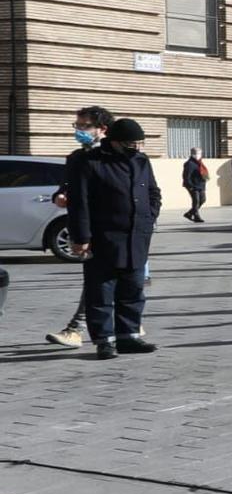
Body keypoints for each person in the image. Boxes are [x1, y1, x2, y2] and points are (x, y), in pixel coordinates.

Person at [68, 117, 162, 360]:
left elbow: (153, 192)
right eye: (132, 143)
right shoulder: (92, 162)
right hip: (104, 237)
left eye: (140, 144)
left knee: (133, 290)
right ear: (116, 142)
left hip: (136, 236)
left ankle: (128, 337)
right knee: (101, 292)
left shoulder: (141, 161)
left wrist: (149, 217)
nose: (136, 148)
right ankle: (104, 341)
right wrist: (81, 237)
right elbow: (80, 203)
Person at [46, 105, 115, 348]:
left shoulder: (115, 156)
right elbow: (65, 187)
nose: (79, 131)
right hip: (87, 226)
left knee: (102, 281)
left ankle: (78, 328)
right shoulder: (76, 157)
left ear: (102, 129)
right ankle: (125, 322)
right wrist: (60, 196)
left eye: (85, 126)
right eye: (77, 126)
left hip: (113, 227)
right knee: (101, 280)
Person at [180, 147, 209, 222]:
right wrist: (190, 186)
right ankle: (196, 216)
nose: (199, 155)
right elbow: (186, 176)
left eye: (200, 153)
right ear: (192, 154)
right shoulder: (189, 164)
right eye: (197, 153)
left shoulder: (200, 163)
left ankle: (189, 213)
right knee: (196, 201)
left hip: (200, 185)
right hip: (193, 185)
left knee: (202, 200)